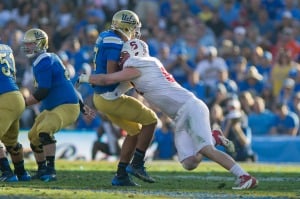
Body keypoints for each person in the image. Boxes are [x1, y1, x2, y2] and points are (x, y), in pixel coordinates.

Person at [78, 39, 258, 189]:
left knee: (205, 149)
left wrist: (84, 78)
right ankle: (213, 137)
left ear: (133, 54)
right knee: (189, 163)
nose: (120, 60)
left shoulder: (137, 65)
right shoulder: (146, 65)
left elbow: (108, 79)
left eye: (123, 55)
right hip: (180, 116)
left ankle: (244, 176)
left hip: (190, 107)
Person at [84, 10, 158, 186]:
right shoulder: (114, 41)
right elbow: (111, 74)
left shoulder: (107, 36)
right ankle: (137, 164)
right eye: (133, 28)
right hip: (111, 97)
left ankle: (121, 175)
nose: (135, 31)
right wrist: (136, 79)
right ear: (125, 26)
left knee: (134, 131)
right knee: (152, 120)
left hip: (104, 97)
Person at [21, 28, 94, 182]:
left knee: (45, 130)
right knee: (33, 136)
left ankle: (50, 170)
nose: (27, 47)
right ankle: (42, 169)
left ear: (40, 44)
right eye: (26, 44)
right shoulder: (50, 58)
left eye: (31, 44)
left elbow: (43, 91)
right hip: (57, 106)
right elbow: (67, 84)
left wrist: (22, 103)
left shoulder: (44, 61)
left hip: (65, 106)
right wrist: (82, 105)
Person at [0, 44, 31, 182]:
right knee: (10, 141)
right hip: (16, 96)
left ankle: (7, 172)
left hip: (4, 99)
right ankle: (21, 172)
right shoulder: (7, 48)